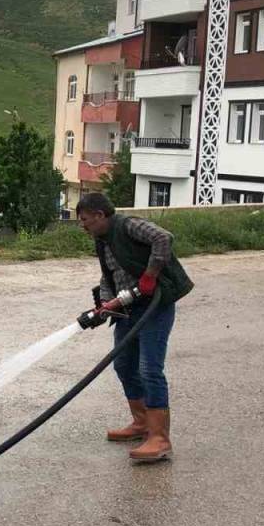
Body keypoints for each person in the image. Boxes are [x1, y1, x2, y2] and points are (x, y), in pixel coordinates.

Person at [77, 192, 193, 462]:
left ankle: (160, 439)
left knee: (149, 369)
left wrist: (150, 275)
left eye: (85, 220)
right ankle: (141, 423)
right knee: (124, 365)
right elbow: (109, 277)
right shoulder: (102, 241)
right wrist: (105, 305)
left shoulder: (128, 225)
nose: (82, 225)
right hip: (129, 309)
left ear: (100, 215)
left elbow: (163, 238)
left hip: (155, 304)